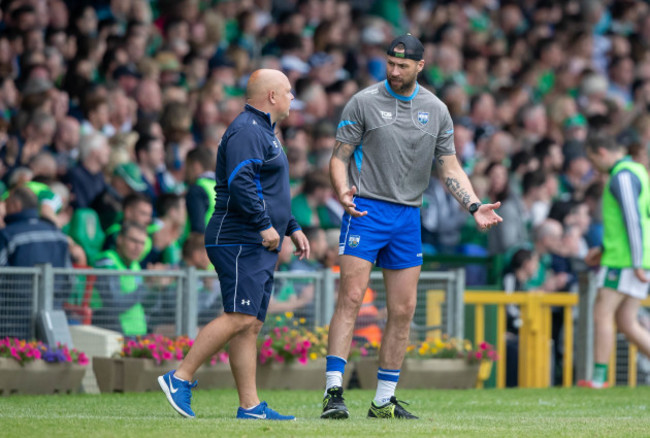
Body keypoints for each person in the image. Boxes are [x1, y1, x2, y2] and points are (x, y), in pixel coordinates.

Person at [322, 34, 502, 420]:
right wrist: (341, 190)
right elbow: (339, 158)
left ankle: (383, 400)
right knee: (350, 299)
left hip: (407, 216)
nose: (394, 71)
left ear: (421, 66)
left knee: (403, 310)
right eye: (390, 63)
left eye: (402, 65)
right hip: (366, 210)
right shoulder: (364, 101)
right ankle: (332, 393)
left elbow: (449, 166)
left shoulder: (436, 110)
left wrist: (473, 205)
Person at [158, 69, 309, 421]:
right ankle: (179, 377)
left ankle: (250, 406)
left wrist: (291, 227)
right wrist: (264, 225)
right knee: (239, 315)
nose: (291, 98)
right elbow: (242, 183)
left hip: (254, 237)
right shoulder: (247, 130)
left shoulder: (263, 131)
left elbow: (270, 190)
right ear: (271, 96)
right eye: (287, 92)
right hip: (239, 237)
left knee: (251, 322)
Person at [578, 135, 650, 389]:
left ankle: (598, 379)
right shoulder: (638, 171)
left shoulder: (621, 176)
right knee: (627, 322)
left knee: (602, 312)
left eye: (592, 159)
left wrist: (637, 262)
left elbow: (632, 218)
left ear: (601, 152)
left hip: (625, 261)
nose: (593, 166)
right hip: (631, 256)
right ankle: (598, 377)